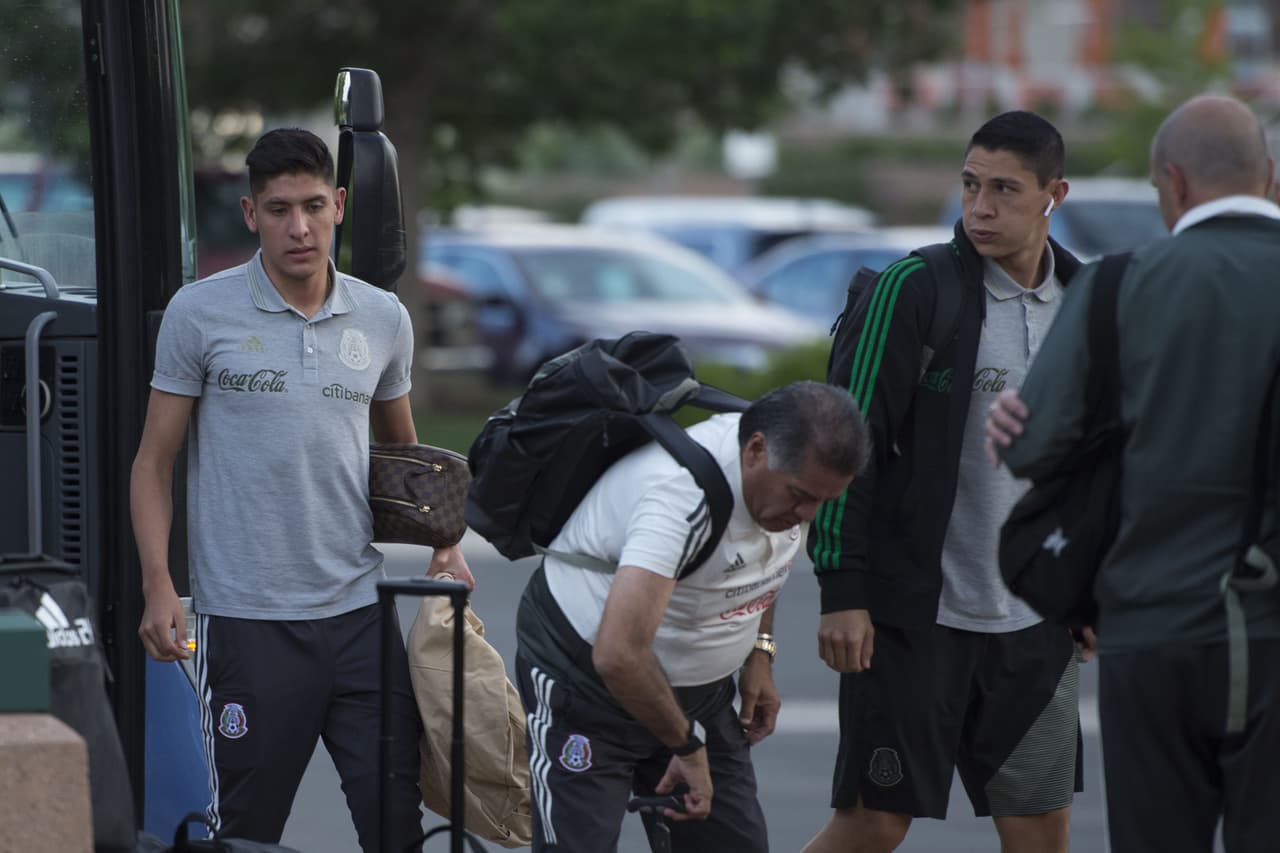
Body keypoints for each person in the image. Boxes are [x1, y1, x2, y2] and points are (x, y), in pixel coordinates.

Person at [130, 128, 474, 851]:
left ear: (339, 204)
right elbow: (154, 463)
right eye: (279, 209)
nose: (300, 228)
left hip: (359, 616)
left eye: (314, 206)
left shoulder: (383, 317)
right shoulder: (199, 312)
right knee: (246, 834)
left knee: (397, 827)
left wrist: (445, 544)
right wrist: (159, 585)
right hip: (246, 621)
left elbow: (404, 457)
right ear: (250, 213)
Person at [986, 94, 1280, 853]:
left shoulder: (1118, 284)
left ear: (1173, 182)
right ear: (1271, 178)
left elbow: (1031, 447)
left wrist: (1011, 424)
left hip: (1150, 628)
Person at [802, 111, 1087, 853]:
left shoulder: (1087, 299)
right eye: (969, 185)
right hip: (912, 620)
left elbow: (1098, 460)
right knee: (872, 824)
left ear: (1054, 194)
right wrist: (843, 590)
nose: (980, 208)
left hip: (1035, 624)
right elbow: (844, 439)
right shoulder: (916, 287)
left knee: (1040, 833)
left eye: (1004, 189)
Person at [514, 381, 869, 853]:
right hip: (586, 691)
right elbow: (618, 654)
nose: (807, 515)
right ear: (756, 449)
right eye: (800, 495)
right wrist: (685, 746)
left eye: (824, 501)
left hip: (697, 699)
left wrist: (759, 655)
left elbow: (762, 564)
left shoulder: (778, 484)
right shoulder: (681, 497)